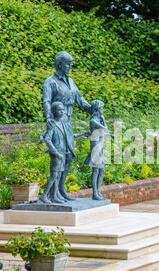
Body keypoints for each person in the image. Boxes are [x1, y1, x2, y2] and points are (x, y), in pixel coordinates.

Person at [42, 51, 91, 201]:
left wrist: (92, 108)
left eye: (71, 63)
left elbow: (80, 100)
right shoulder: (50, 82)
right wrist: (49, 117)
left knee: (69, 157)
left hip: (68, 122)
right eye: (67, 64)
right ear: (59, 64)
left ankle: (61, 190)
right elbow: (46, 101)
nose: (70, 66)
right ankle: (53, 194)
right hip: (57, 122)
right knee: (59, 157)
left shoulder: (71, 81)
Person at [40, 102, 86, 204]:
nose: (62, 112)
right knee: (54, 176)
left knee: (58, 176)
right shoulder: (52, 124)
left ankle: (55, 195)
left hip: (64, 153)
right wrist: (56, 153)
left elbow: (69, 136)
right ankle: (44, 195)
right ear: (54, 111)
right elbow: (47, 139)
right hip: (57, 154)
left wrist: (81, 134)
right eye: (60, 110)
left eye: (63, 110)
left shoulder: (63, 123)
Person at [85, 100, 109, 200]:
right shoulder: (93, 121)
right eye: (101, 108)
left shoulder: (98, 119)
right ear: (97, 109)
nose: (102, 110)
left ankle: (98, 192)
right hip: (96, 146)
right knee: (95, 170)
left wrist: (102, 118)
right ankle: (95, 193)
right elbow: (105, 129)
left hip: (100, 145)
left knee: (102, 170)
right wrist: (103, 119)